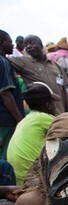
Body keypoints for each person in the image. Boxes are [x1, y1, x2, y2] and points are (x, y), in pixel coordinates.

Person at [7, 81, 57, 185]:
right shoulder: (42, 118)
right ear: (48, 105)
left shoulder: (26, 120)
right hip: (33, 179)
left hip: (19, 178)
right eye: (53, 103)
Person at [9, 34, 68, 114]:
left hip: (60, 112)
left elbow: (63, 89)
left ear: (41, 45)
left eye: (31, 43)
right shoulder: (23, 62)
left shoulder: (56, 65)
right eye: (26, 45)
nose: (28, 46)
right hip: (41, 115)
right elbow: (3, 58)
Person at [0, 30, 24, 160]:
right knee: (4, 154)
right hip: (5, 119)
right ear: (1, 43)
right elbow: (5, 94)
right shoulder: (3, 62)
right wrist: (20, 119)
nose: (13, 45)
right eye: (10, 42)